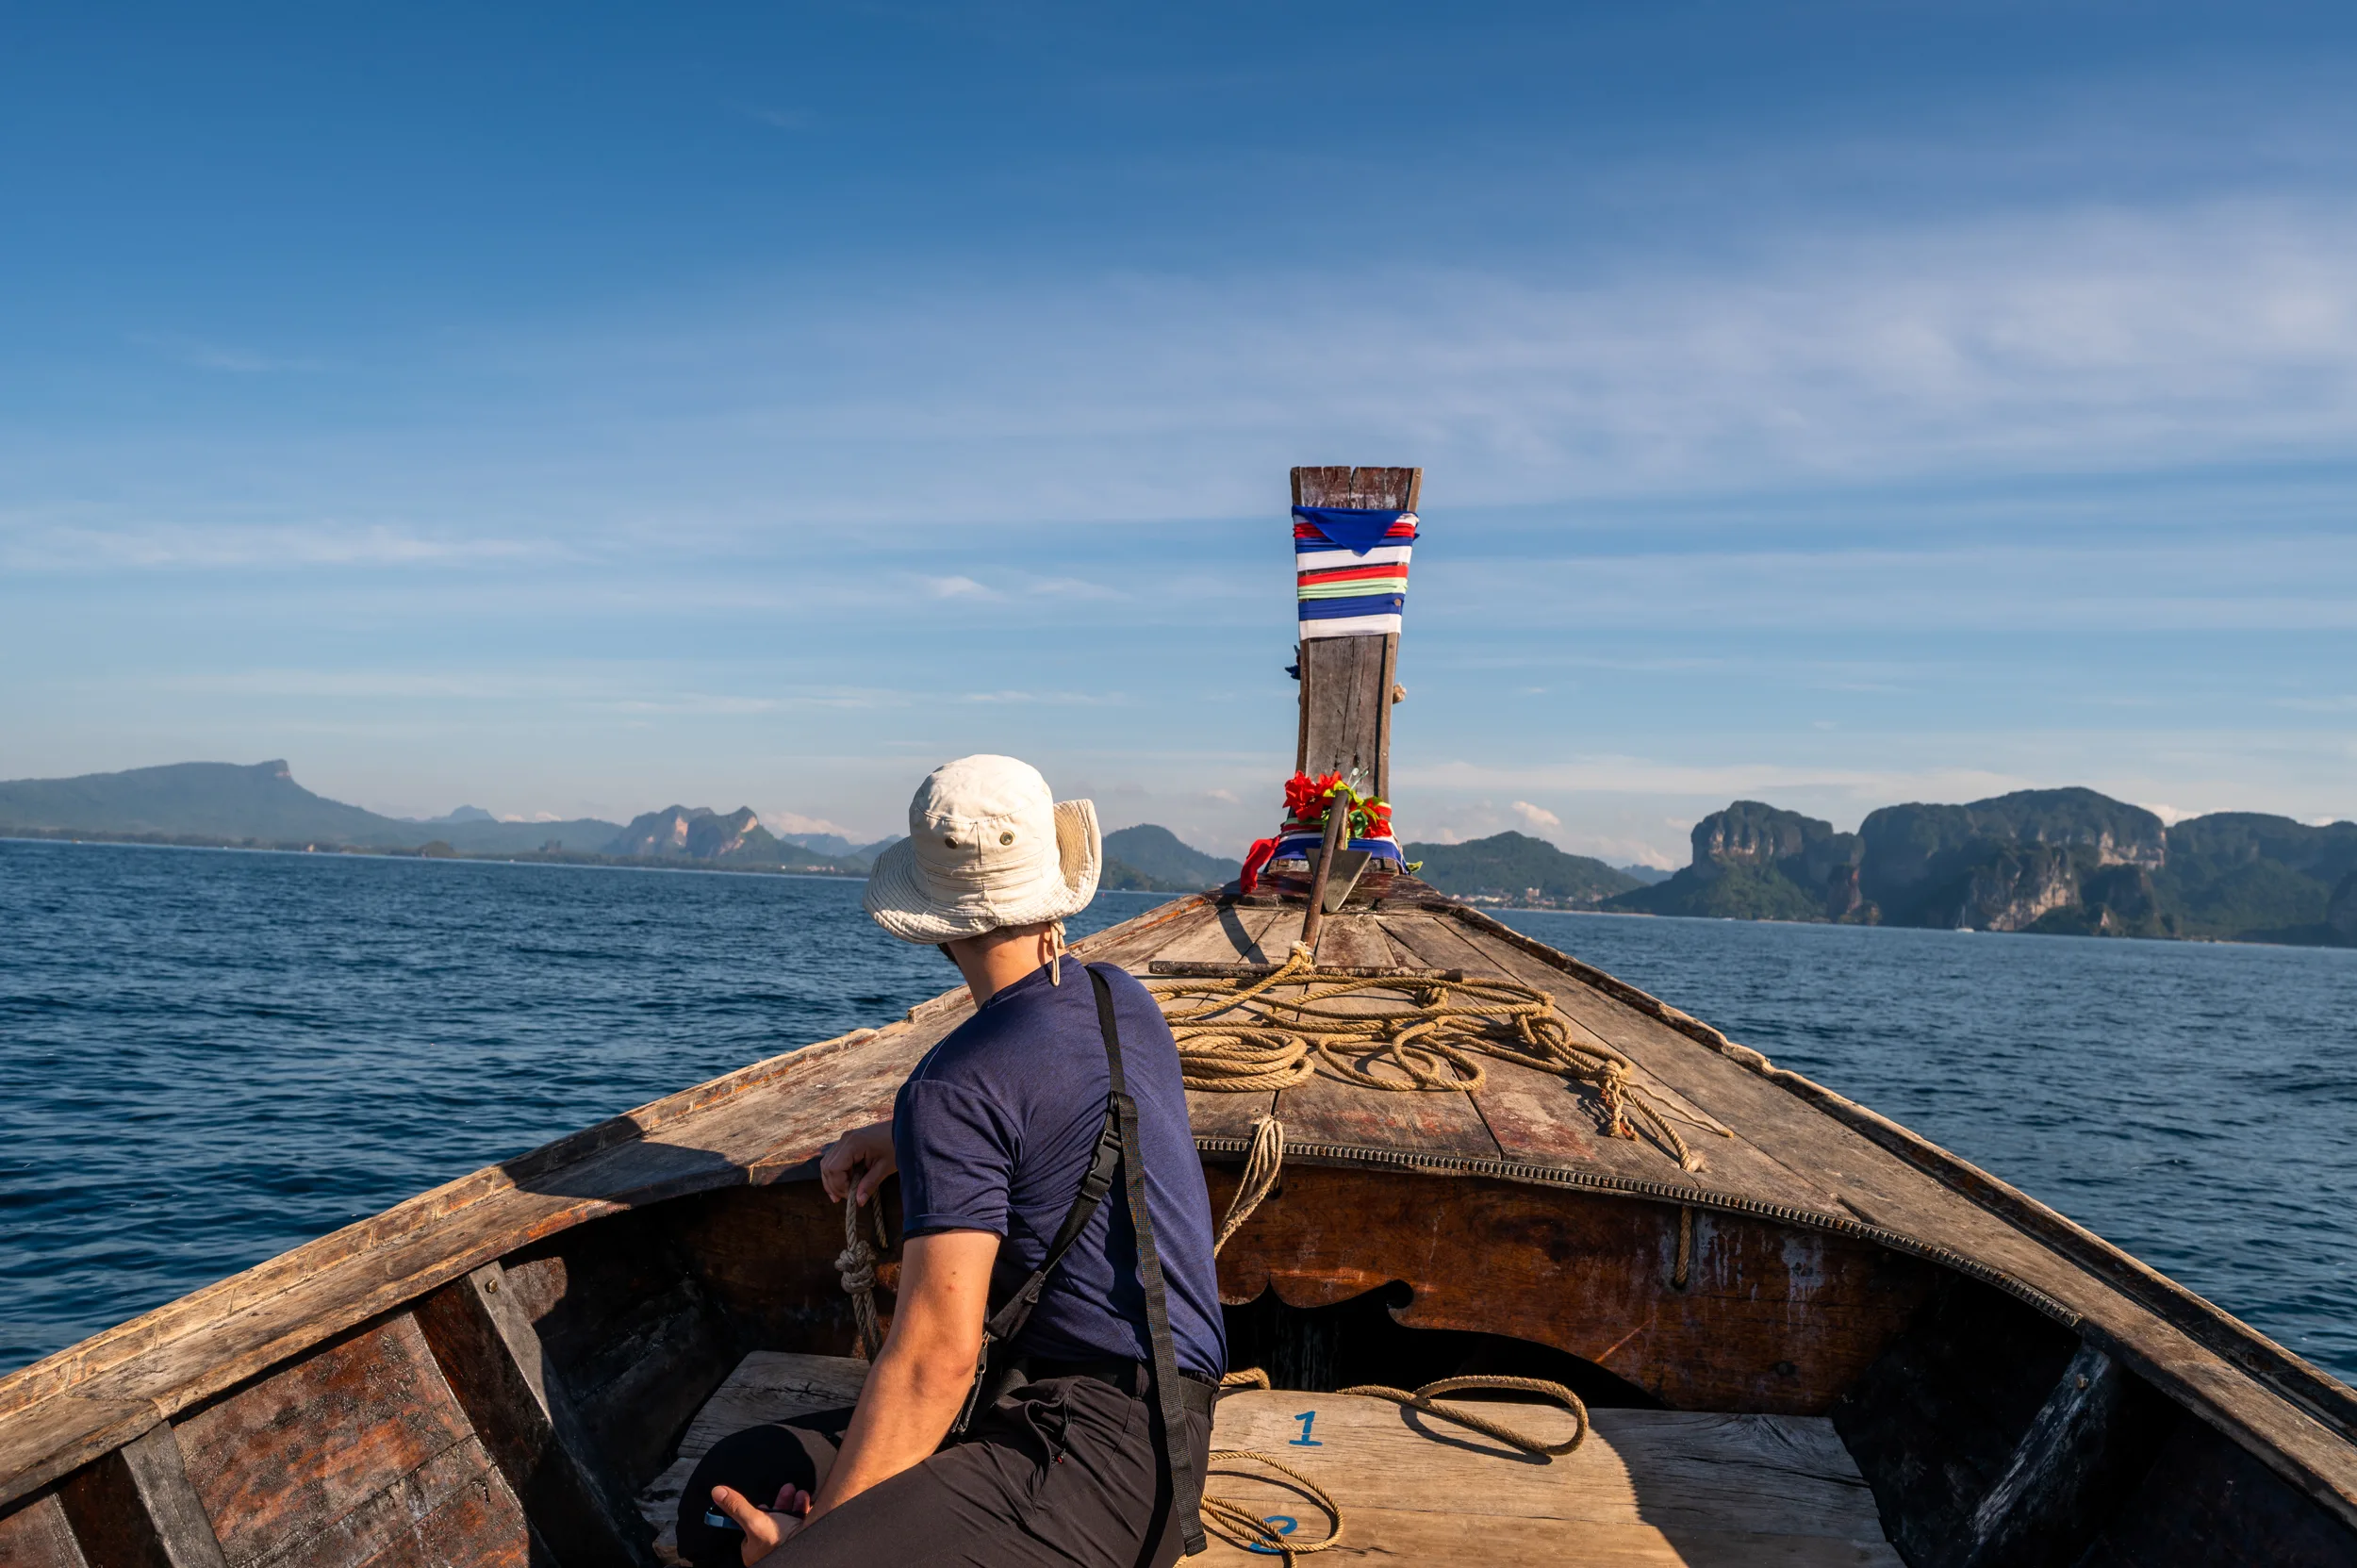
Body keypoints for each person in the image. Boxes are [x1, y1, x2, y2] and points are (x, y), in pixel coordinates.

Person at [685, 755, 1226, 1568]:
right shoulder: (1122, 998)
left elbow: (937, 1359)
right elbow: (1055, 1117)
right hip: (1159, 1430)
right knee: (727, 1493)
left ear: (938, 920)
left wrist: (827, 1532)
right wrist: (899, 1139)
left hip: (1082, 1463)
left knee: (776, 1554)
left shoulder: (952, 1085)